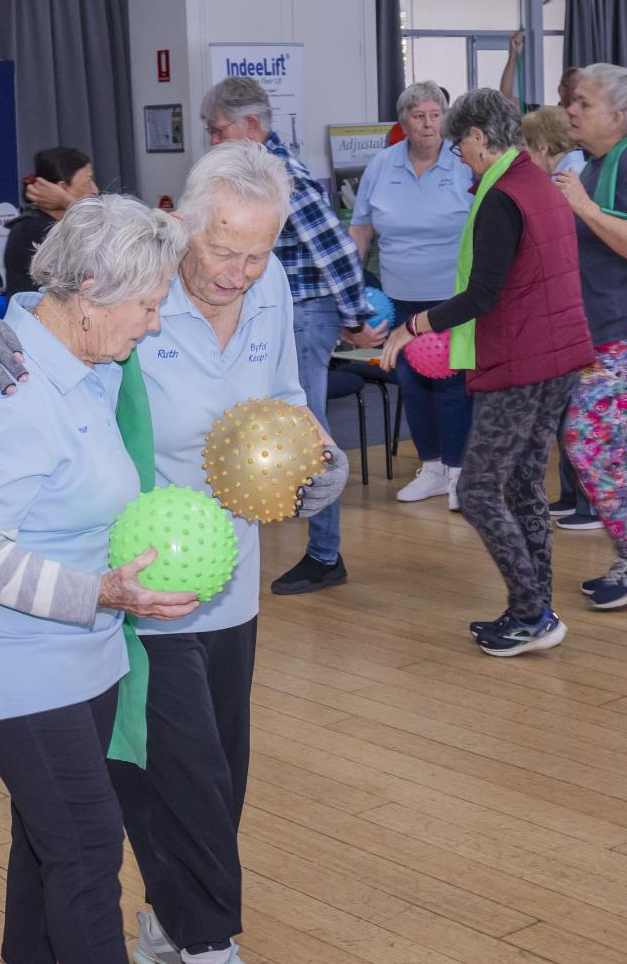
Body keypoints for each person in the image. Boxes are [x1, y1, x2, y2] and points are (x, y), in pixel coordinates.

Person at [0, 140, 349, 964]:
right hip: (139, 587)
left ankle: (172, 924)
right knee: (184, 779)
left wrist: (314, 461)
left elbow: (285, 399)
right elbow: (35, 323)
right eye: (222, 252)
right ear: (183, 221)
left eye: (257, 256)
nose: (236, 275)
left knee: (225, 776)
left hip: (234, 581)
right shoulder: (137, 275)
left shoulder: (271, 291)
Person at [0, 193, 245, 964]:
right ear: (92, 291)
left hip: (85, 651)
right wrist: (100, 594)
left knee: (47, 830)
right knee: (86, 848)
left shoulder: (89, 359)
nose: (154, 323)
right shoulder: (13, 388)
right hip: (13, 658)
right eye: (147, 305)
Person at [382, 88, 594, 656]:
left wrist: (413, 326)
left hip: (524, 362)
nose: (459, 156)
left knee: (476, 490)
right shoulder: (535, 184)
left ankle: (532, 614)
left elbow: (481, 294)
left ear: (479, 137)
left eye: (459, 144)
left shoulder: (503, 196)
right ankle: (534, 610)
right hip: (558, 357)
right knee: (523, 481)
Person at [199, 76, 380, 595]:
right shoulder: (256, 175)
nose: (213, 141)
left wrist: (357, 315)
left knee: (306, 431)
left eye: (218, 130)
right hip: (288, 313)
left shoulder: (283, 176)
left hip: (304, 316)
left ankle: (325, 555)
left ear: (252, 125)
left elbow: (337, 252)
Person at [349, 81, 476, 509]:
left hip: (453, 299)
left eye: (436, 115)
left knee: (453, 384)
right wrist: (352, 286)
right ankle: (433, 467)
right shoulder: (382, 165)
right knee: (413, 381)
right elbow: (362, 227)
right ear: (403, 122)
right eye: (419, 116)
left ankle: (460, 472)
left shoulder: (463, 163)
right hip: (400, 297)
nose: (428, 124)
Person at [556, 63, 627, 608]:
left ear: (619, 116)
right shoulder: (593, 163)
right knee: (604, 449)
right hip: (595, 334)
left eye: (583, 102)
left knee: (587, 441)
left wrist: (581, 205)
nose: (572, 110)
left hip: (620, 335)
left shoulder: (622, 164)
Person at [522, 107, 596, 529]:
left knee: (579, 410)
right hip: (568, 307)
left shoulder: (573, 180)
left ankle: (587, 505)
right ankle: (571, 495)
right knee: (565, 406)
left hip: (580, 306)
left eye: (525, 147)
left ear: (543, 147)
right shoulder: (564, 178)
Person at [3, 147, 97, 296]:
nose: (95, 190)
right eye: (88, 182)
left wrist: (68, 202)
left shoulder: (56, 224)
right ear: (62, 188)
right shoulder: (31, 229)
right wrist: (70, 203)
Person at [499, 30, 580, 111]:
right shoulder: (545, 117)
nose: (581, 95)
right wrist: (513, 55)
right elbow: (506, 98)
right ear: (562, 90)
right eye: (577, 90)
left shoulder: (589, 119)